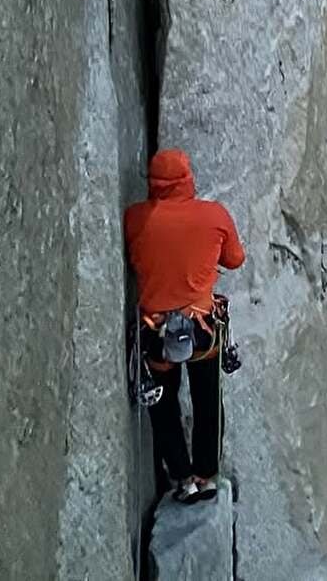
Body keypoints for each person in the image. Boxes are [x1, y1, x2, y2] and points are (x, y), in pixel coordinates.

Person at [124, 149, 245, 504]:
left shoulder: (134, 218)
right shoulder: (214, 216)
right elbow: (235, 260)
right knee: (207, 402)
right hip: (202, 331)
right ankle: (206, 475)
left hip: (156, 333)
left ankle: (181, 478)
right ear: (187, 179)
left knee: (163, 406)